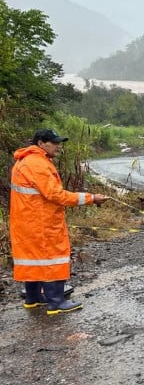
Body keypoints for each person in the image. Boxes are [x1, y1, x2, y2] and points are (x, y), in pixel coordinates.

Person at [10, 129, 109, 315]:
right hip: (42, 224)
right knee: (52, 259)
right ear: (41, 143)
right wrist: (91, 198)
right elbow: (56, 195)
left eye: (59, 143)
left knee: (34, 259)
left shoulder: (24, 161)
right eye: (54, 143)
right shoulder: (37, 164)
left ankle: (33, 298)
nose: (58, 146)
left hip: (27, 222)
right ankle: (56, 302)